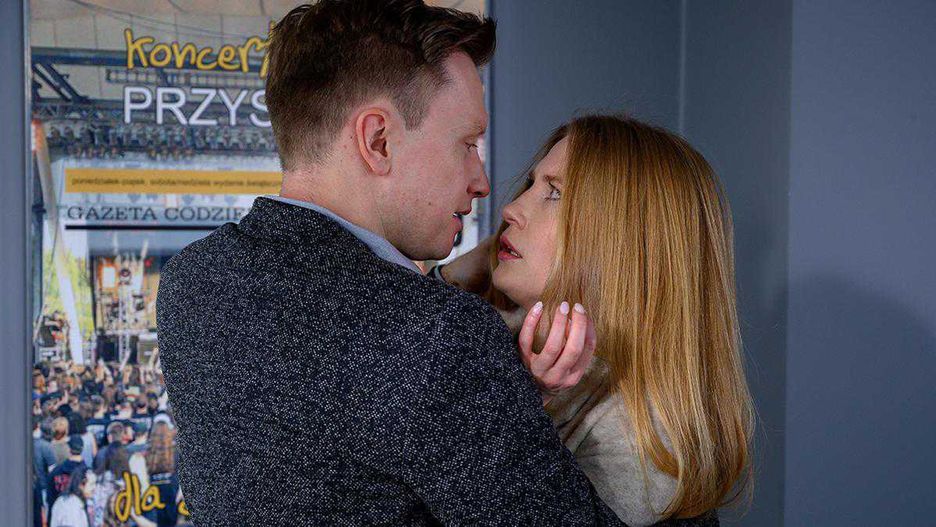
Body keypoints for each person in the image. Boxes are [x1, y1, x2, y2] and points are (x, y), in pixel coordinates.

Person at [156, 1, 727, 525]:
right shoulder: (438, 336)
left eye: (552, 192)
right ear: (378, 141)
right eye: (467, 143)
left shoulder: (194, 280)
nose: (487, 185)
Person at [439, 114, 754, 524]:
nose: (511, 209)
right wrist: (456, 276)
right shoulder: (492, 335)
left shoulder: (644, 445)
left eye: (554, 194)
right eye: (531, 185)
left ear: (625, 240)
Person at [47, 435, 89, 515]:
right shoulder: (87, 474)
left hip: (60, 514)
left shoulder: (56, 472)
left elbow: (50, 499)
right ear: (82, 449)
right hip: (80, 515)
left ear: (69, 449)